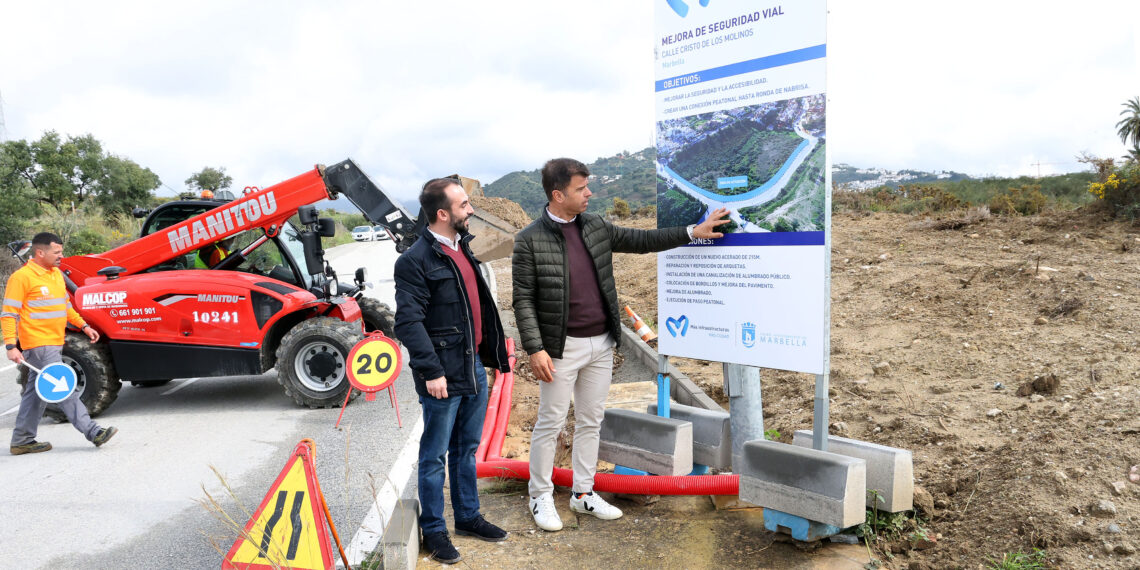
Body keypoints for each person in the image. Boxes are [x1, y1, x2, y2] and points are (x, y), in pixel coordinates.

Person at [512, 158, 729, 531]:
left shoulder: (594, 226)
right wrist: (535, 348)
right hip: (560, 349)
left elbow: (641, 240)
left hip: (601, 343)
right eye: (581, 189)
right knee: (551, 423)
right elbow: (523, 299)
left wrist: (694, 230)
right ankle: (540, 495)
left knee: (591, 421)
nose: (589, 194)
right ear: (558, 194)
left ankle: (583, 493)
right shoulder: (529, 239)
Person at [394, 177, 511, 564]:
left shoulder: (463, 249)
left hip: (473, 365)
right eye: (463, 206)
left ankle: (468, 517)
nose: (471, 210)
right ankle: (434, 531)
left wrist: (489, 359)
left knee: (467, 449)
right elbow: (409, 323)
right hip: (442, 374)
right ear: (442, 213)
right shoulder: (415, 261)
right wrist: (431, 371)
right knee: (434, 456)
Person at [3, 232, 118, 455]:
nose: (61, 256)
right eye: (56, 252)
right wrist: (10, 345)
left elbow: (65, 307)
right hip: (39, 343)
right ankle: (93, 431)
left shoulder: (55, 274)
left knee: (35, 393)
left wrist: (84, 326)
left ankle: (21, 440)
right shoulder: (22, 278)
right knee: (62, 386)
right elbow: (9, 314)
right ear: (40, 252)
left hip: (56, 341)